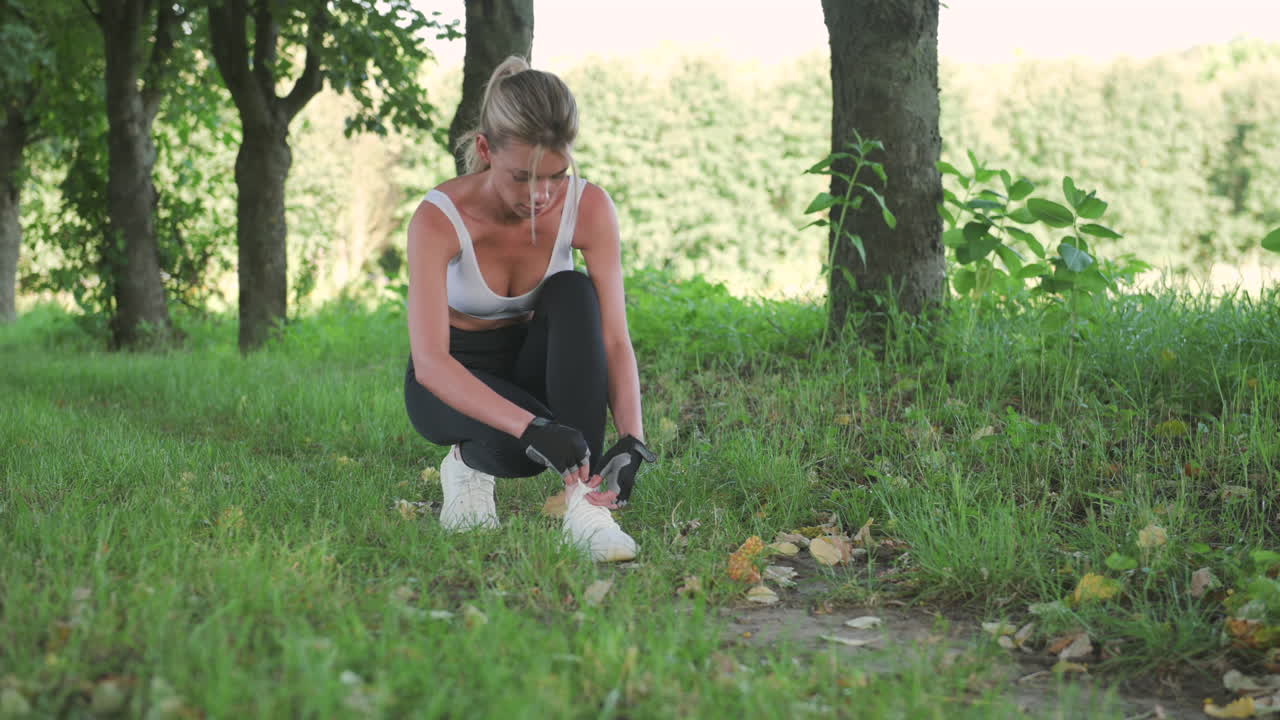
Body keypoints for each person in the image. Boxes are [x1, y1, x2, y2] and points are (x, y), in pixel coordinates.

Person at [403, 56, 655, 562]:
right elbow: (431, 363)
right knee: (518, 457)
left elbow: (612, 340)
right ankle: (466, 468)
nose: (542, 195)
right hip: (453, 379)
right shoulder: (439, 218)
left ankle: (586, 509)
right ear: (484, 150)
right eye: (523, 177)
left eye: (557, 176)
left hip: (530, 364)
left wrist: (632, 439)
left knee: (573, 290)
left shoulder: (590, 207)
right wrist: (533, 428)